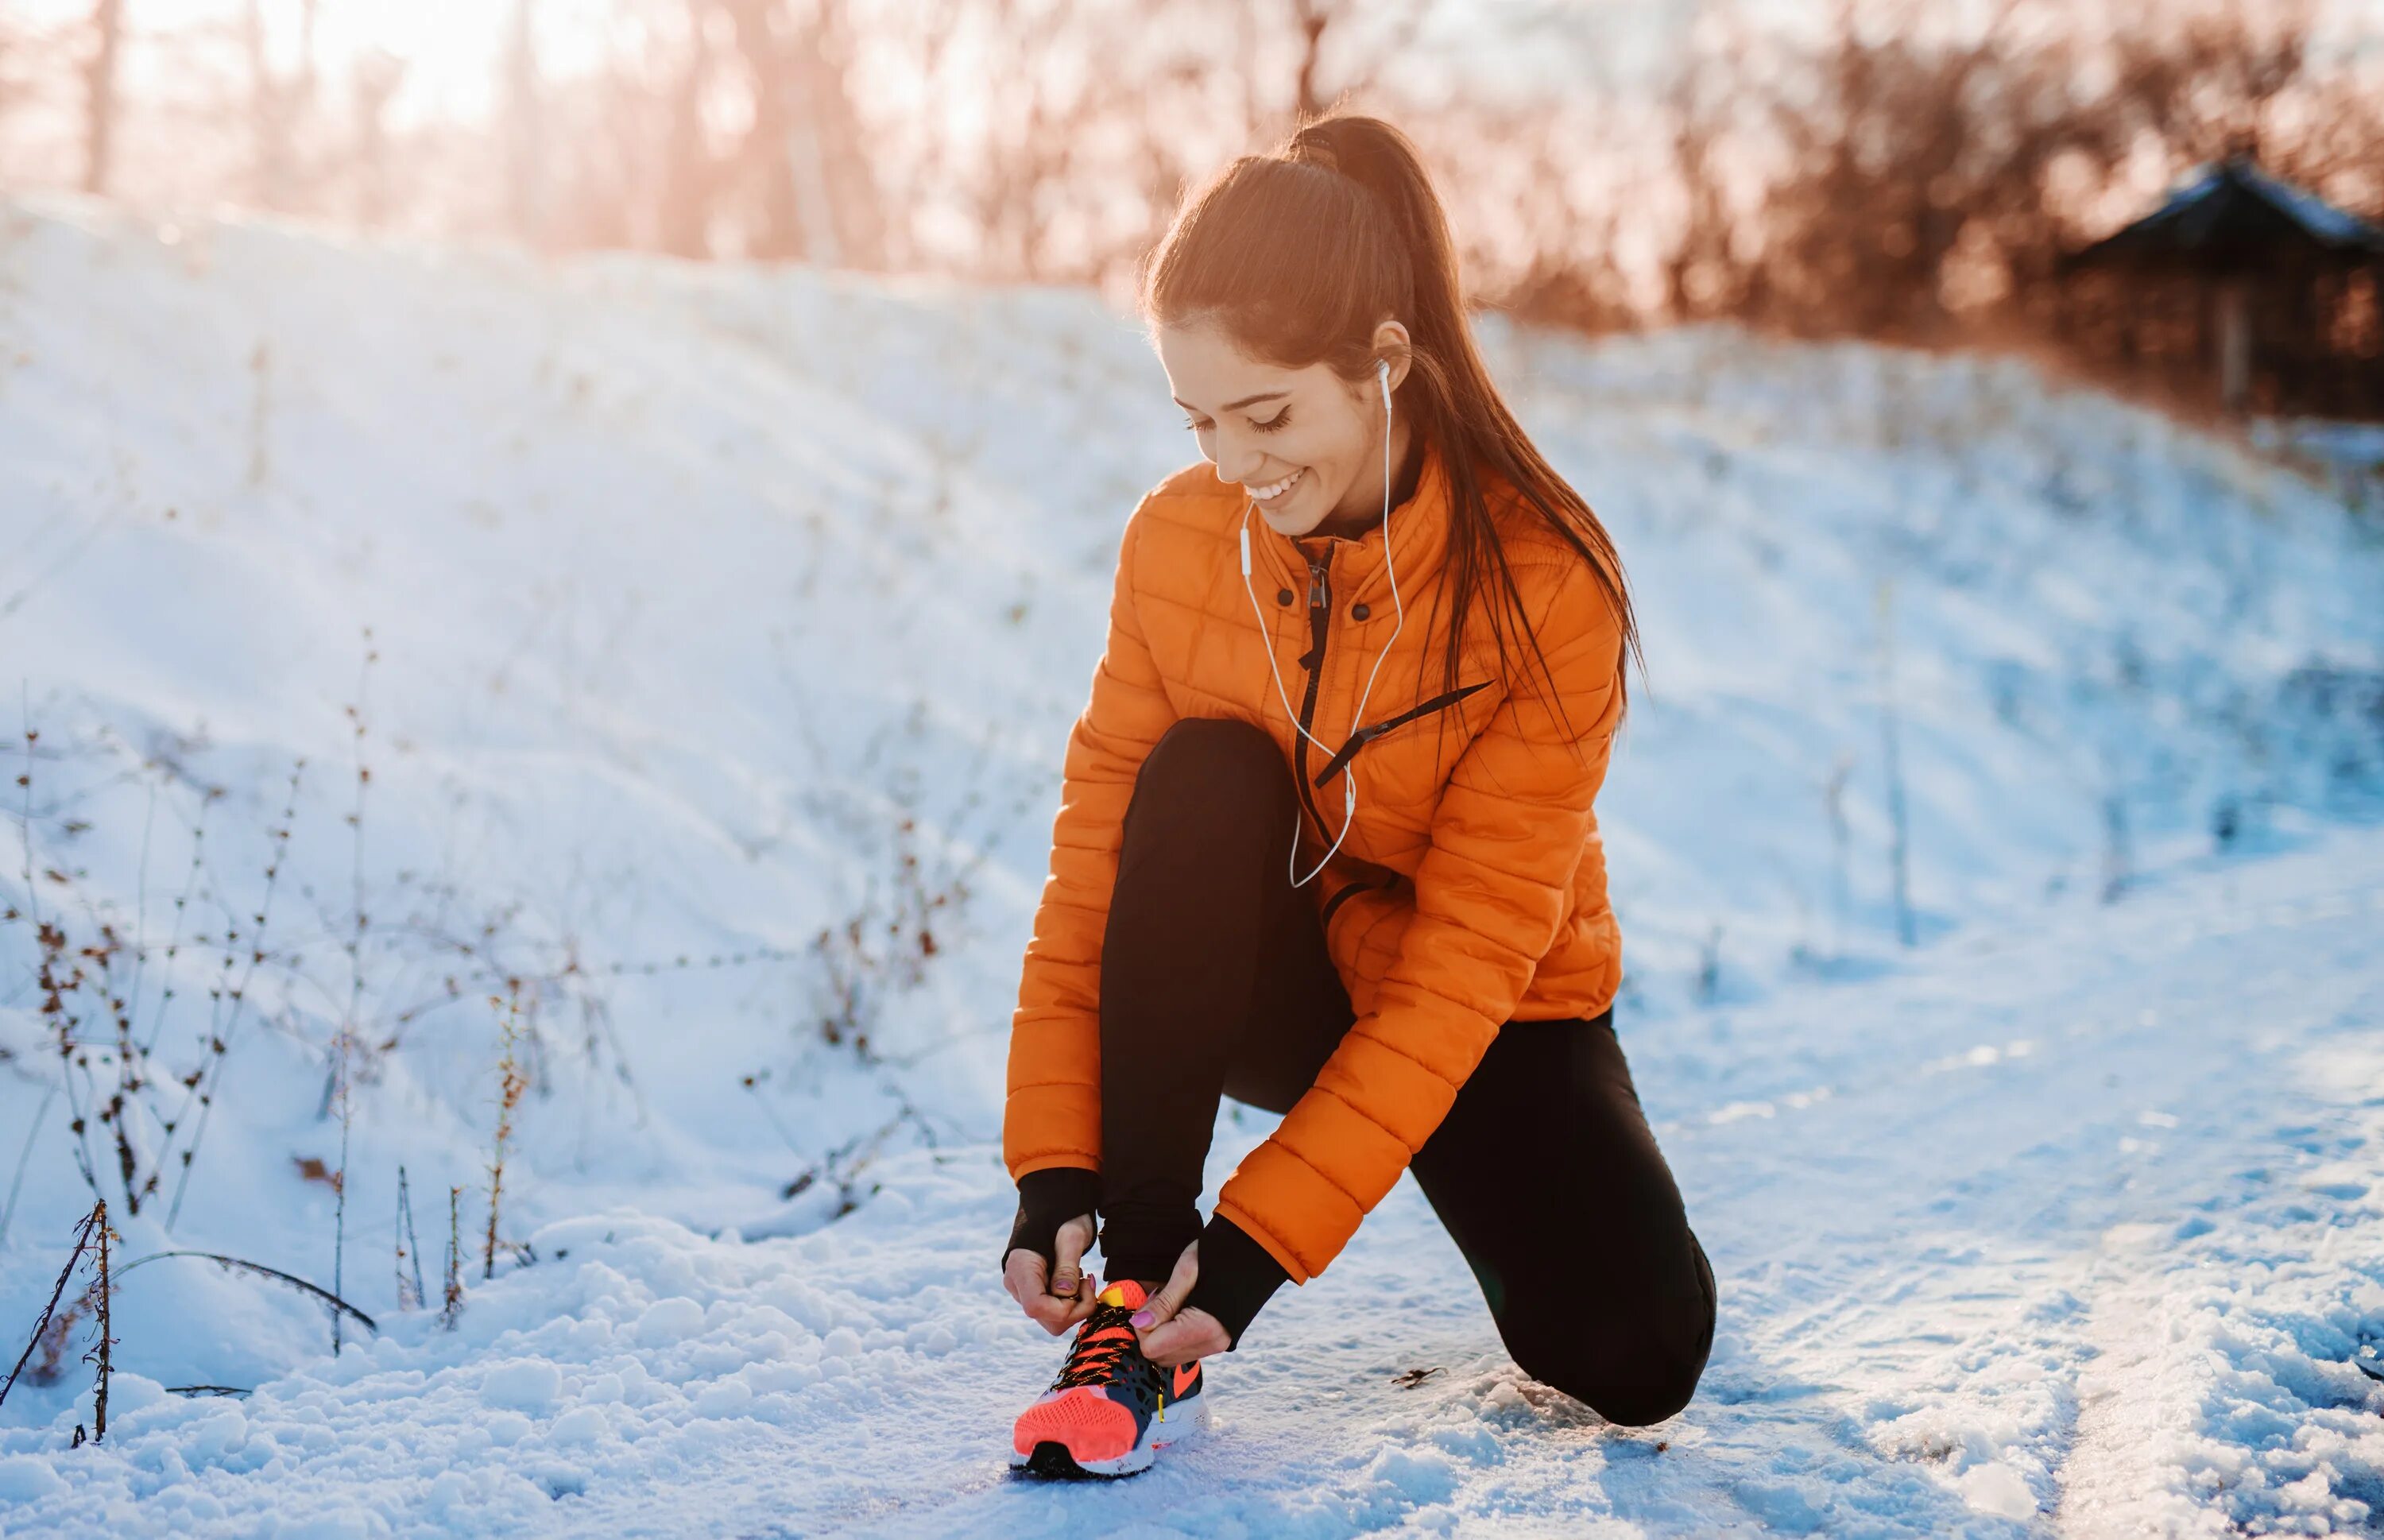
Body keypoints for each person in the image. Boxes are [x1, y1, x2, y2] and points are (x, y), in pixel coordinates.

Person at [998, 112, 1717, 1480]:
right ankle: (1135, 1301)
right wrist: (1055, 1166)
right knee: (1198, 778)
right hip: (1272, 971)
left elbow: (1462, 962)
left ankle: (1576, 1228)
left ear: (1385, 362)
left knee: (1636, 1355)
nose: (1231, 464)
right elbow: (1098, 860)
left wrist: (1262, 1253)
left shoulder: (1547, 585)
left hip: (1483, 999)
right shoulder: (1178, 542)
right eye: (1200, 418)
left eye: (1266, 415)